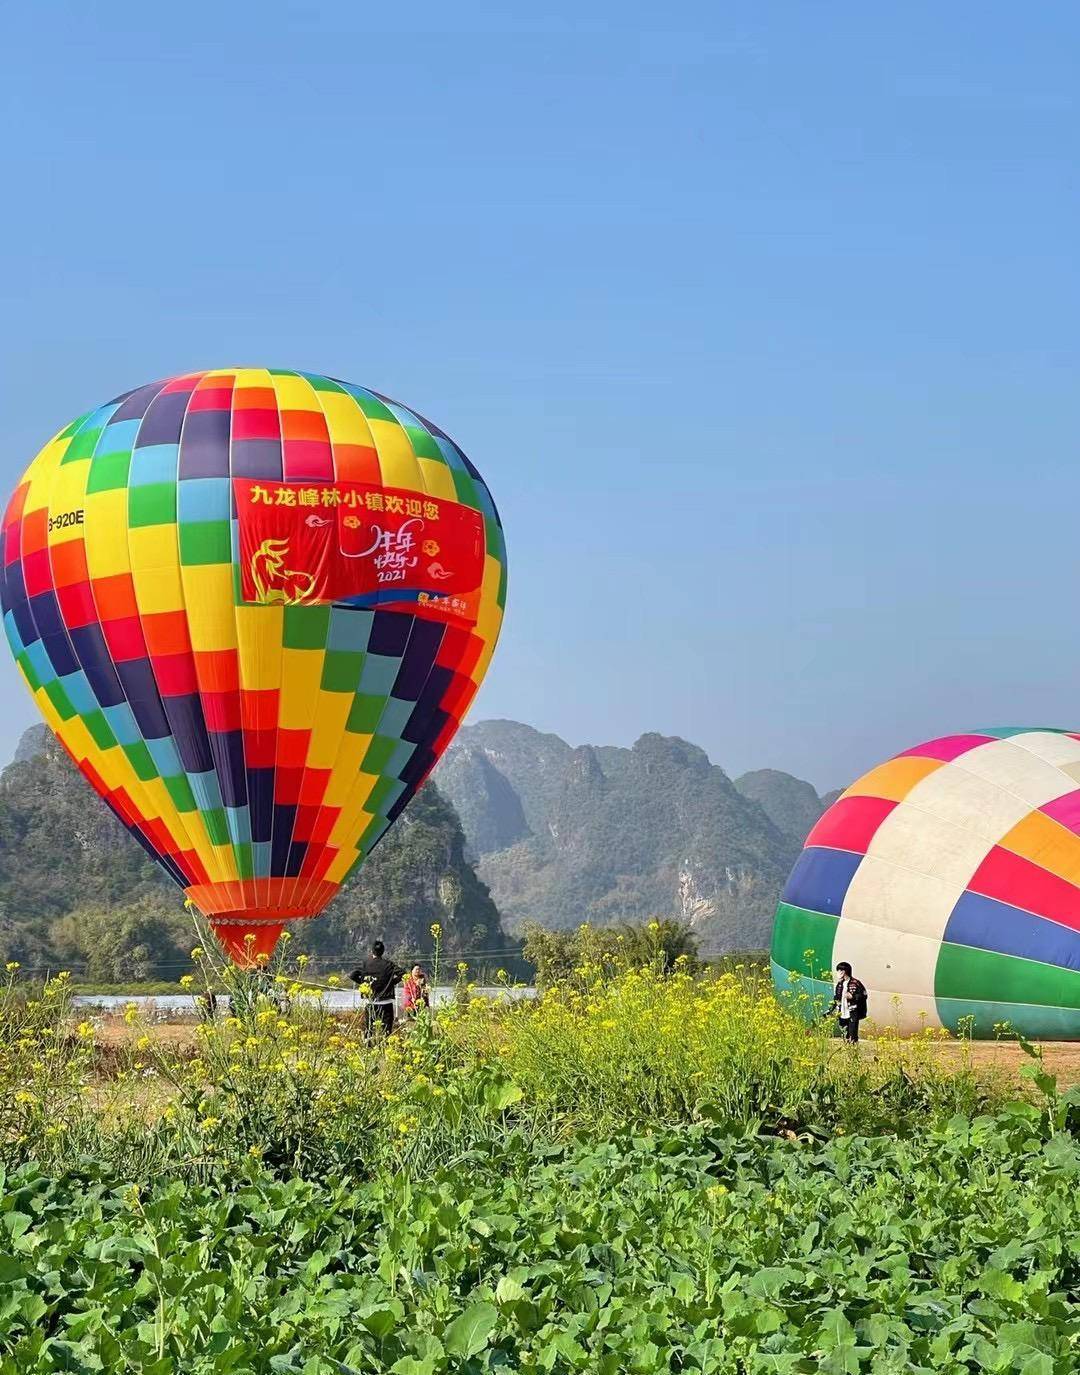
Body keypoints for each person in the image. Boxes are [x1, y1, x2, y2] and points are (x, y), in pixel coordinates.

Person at [350, 940, 404, 1040]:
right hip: (386, 1002)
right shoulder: (388, 964)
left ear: (372, 951)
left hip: (370, 1002)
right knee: (386, 1032)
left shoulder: (366, 964)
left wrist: (363, 984)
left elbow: (352, 975)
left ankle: (368, 1050)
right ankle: (385, 1050)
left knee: (369, 1030)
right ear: (383, 951)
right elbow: (403, 974)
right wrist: (391, 983)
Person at [825, 961, 868, 1043]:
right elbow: (837, 998)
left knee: (853, 1032)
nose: (838, 972)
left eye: (840, 970)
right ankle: (847, 1047)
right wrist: (831, 1009)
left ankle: (853, 1048)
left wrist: (853, 997)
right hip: (842, 1011)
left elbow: (864, 995)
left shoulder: (855, 983)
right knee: (844, 1031)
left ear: (844, 971)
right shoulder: (840, 984)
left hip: (852, 1011)